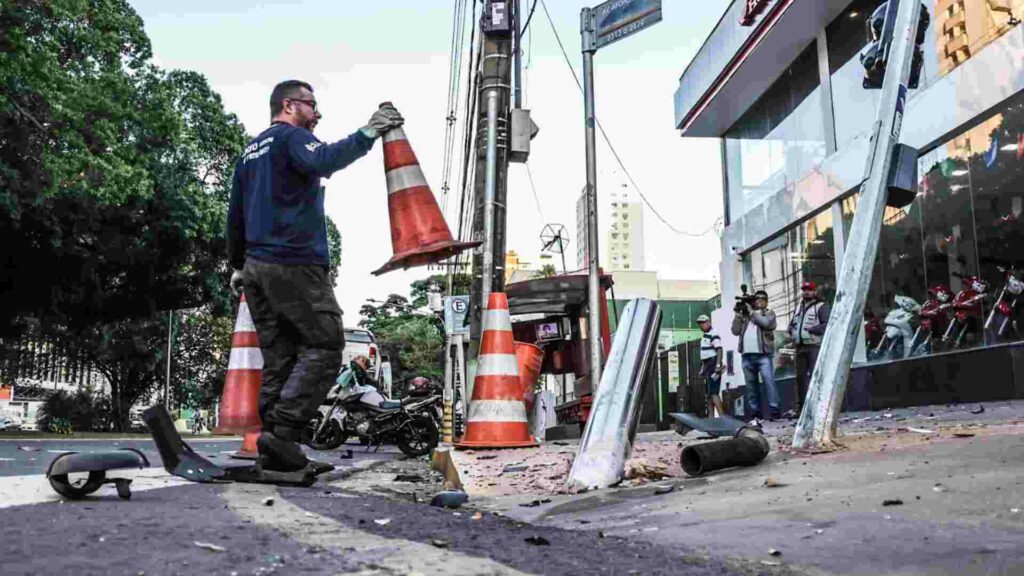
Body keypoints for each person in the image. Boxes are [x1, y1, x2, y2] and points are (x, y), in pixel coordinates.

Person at [227, 80, 404, 471]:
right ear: (290, 105)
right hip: (293, 262)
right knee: (325, 346)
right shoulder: (290, 138)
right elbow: (323, 159)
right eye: (312, 105)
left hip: (256, 268)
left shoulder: (249, 153)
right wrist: (368, 132)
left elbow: (235, 212)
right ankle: (284, 432)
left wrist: (238, 264)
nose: (318, 113)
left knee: (281, 358)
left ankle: (277, 450)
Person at [731, 289, 780, 423]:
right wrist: (737, 314)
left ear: (766, 301)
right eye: (756, 299)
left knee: (769, 382)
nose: (759, 301)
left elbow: (767, 324)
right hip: (747, 355)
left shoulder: (769, 313)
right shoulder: (745, 316)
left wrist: (752, 313)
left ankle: (774, 410)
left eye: (762, 299)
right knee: (751, 385)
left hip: (763, 354)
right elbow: (735, 331)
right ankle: (755, 412)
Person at [786, 281, 830, 419]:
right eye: (804, 290)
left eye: (809, 290)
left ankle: (820, 408)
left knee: (816, 378)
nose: (806, 292)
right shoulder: (799, 307)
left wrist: (812, 329)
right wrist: (791, 330)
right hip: (800, 347)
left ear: (815, 291)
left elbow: (827, 324)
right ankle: (802, 410)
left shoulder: (821, 306)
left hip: (814, 346)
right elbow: (793, 323)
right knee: (800, 379)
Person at [696, 314, 725, 418]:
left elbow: (719, 349)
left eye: (703, 323)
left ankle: (722, 418)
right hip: (707, 364)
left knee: (714, 392)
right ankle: (711, 418)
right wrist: (702, 368)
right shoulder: (705, 335)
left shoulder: (713, 333)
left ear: (708, 322)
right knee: (708, 394)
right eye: (700, 323)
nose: (701, 325)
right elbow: (704, 355)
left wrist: (717, 365)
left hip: (713, 363)